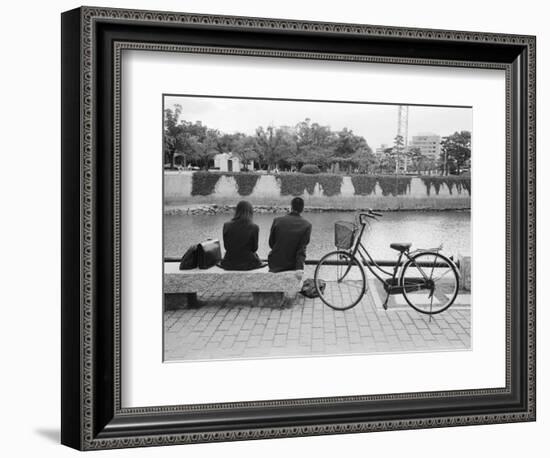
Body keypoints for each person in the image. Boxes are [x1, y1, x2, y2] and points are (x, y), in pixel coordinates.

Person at [268, 197, 312, 273]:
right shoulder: (307, 225)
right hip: (292, 265)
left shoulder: (277, 221)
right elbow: (301, 250)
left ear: (291, 207)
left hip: (274, 263)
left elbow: (271, 243)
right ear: (302, 209)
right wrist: (299, 268)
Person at [219, 201, 264, 271]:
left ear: (237, 211)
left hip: (229, 262)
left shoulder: (226, 225)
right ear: (250, 212)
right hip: (249, 263)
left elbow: (226, 247)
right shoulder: (254, 227)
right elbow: (254, 248)